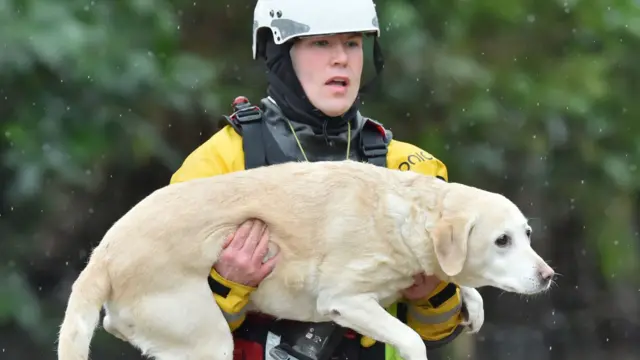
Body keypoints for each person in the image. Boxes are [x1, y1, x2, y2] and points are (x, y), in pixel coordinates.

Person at [170, 0, 467, 359]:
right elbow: (161, 325)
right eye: (321, 43)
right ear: (280, 54)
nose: (341, 58)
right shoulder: (219, 164)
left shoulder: (410, 169)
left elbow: (439, 330)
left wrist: (432, 291)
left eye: (353, 42)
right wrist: (226, 283)